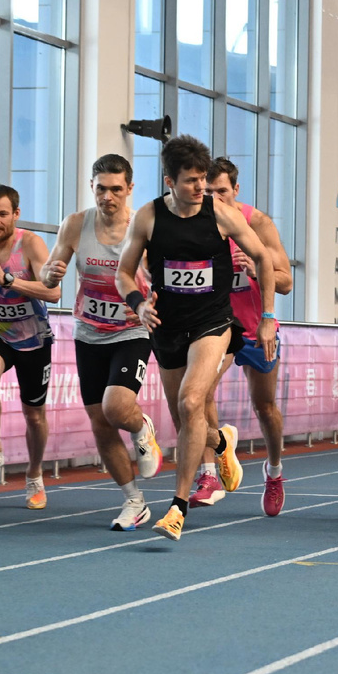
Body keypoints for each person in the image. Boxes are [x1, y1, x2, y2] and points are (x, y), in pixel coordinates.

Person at [116, 135, 277, 541]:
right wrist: (138, 304)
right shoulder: (149, 217)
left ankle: (178, 507)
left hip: (213, 323)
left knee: (192, 402)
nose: (200, 187)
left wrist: (268, 317)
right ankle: (221, 442)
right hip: (167, 327)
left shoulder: (221, 214)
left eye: (203, 179)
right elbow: (124, 273)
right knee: (184, 417)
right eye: (190, 180)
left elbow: (263, 257)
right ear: (169, 181)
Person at [40, 154, 163, 531]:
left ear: (129, 189)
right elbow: (48, 277)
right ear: (91, 187)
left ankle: (141, 426)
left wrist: (150, 301)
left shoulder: (142, 227)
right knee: (100, 422)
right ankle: (134, 501)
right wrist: (50, 273)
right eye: (101, 189)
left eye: (115, 189)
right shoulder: (76, 224)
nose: (107, 197)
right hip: (89, 333)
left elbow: (162, 277)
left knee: (116, 406)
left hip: (131, 330)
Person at [196, 157, 293, 516]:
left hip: (255, 327)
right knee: (200, 394)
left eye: (221, 191)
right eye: (207, 192)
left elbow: (286, 281)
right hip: (217, 326)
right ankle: (209, 473)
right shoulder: (196, 224)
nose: (214, 199)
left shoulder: (258, 223)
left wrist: (256, 270)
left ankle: (274, 472)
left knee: (264, 407)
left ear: (236, 189)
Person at [0, 185, 60, 509]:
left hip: (34, 338)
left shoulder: (30, 244)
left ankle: (34, 474)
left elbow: (53, 292)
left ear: (16, 214)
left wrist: (9, 280)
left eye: (3, 214)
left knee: (34, 416)